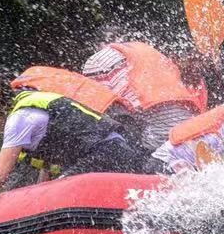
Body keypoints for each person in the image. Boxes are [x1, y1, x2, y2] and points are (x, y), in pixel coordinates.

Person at [0, 68, 152, 216]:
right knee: (55, 192)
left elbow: (0, 174)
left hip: (106, 153)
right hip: (116, 150)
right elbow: (46, 172)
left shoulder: (20, 119)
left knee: (63, 196)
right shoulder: (30, 109)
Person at [81, 37, 210, 150]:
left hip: (159, 140)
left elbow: (100, 107)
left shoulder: (99, 63)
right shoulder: (149, 53)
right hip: (192, 135)